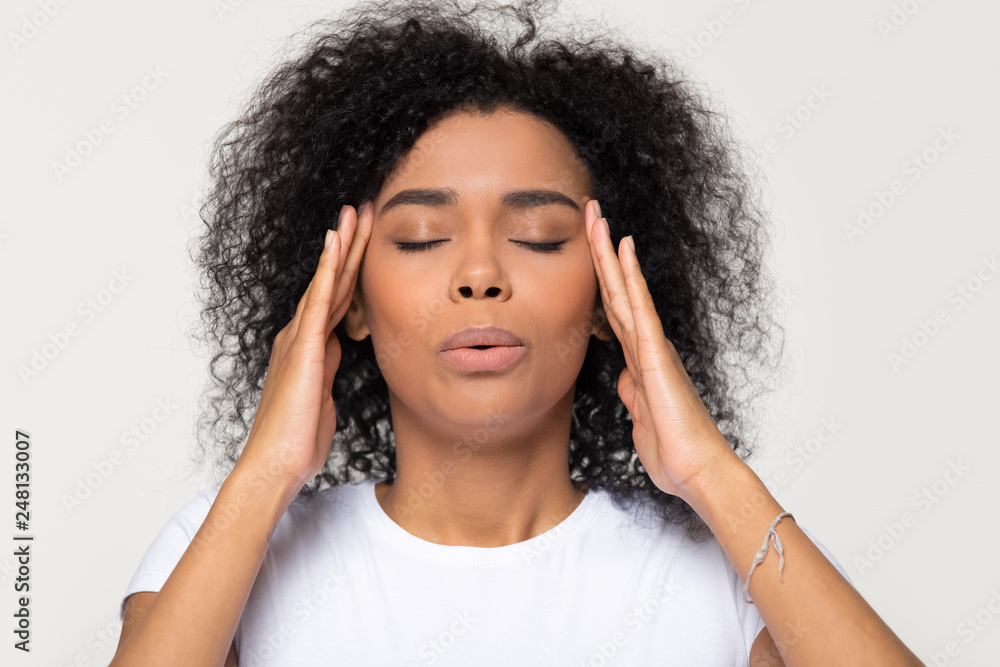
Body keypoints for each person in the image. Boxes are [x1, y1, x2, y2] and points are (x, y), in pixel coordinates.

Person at [111, 1, 922, 665]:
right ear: (347, 299)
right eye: (422, 237)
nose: (479, 274)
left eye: (538, 237)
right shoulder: (227, 544)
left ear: (611, 296)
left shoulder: (731, 567)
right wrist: (268, 468)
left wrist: (709, 471)